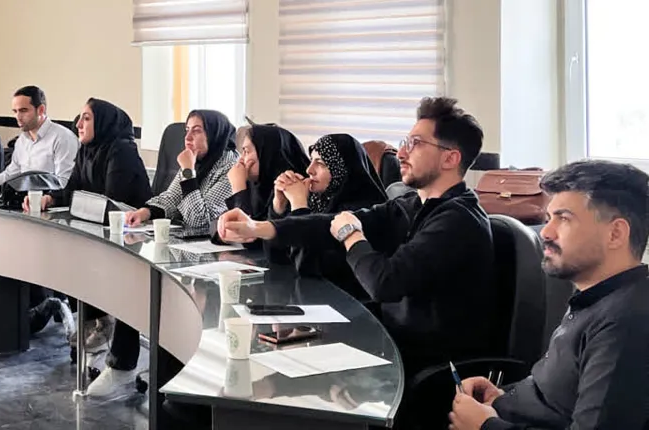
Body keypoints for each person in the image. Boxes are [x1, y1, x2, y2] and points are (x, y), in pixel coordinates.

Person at [217, 97, 498, 378]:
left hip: (431, 369)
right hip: (391, 348)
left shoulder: (457, 220)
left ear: (450, 158)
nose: (401, 153)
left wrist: (351, 235)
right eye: (405, 142)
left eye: (415, 144)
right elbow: (328, 224)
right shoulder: (413, 204)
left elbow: (385, 282)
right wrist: (258, 227)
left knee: (292, 379)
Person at [450, 160, 649, 430]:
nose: (545, 232)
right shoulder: (592, 296)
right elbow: (558, 397)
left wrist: (485, 426)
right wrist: (502, 397)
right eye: (548, 218)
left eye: (564, 218)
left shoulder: (627, 323)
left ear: (615, 234)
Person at [31, 99, 152, 397]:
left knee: (114, 277)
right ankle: (97, 324)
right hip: (99, 233)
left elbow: (109, 201)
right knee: (66, 254)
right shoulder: (88, 148)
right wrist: (51, 198)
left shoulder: (121, 150)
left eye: (86, 118)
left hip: (133, 239)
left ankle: (120, 359)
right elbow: (74, 189)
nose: (78, 124)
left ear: (104, 122)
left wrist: (78, 200)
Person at [266, 134, 388, 300]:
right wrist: (278, 207)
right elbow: (275, 258)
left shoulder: (360, 212)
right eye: (311, 160)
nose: (309, 170)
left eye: (321, 163)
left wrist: (299, 206)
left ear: (341, 170)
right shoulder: (320, 201)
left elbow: (309, 269)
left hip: (350, 306)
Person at [124, 110, 238, 229]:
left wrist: (188, 171)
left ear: (215, 135)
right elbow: (172, 198)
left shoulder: (231, 168)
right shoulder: (198, 160)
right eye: (187, 130)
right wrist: (143, 213)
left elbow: (198, 220)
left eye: (196, 131)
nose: (187, 138)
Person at [0, 86, 79, 192]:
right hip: (24, 198)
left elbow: (63, 184)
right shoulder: (22, 140)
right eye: (15, 111)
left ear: (41, 110)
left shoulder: (63, 138)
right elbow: (9, 176)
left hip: (48, 200)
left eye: (23, 111)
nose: (18, 117)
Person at [224, 122, 310, 220]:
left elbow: (244, 228)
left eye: (246, 152)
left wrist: (238, 189)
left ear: (267, 155)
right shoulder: (255, 188)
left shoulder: (294, 186)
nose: (241, 159)